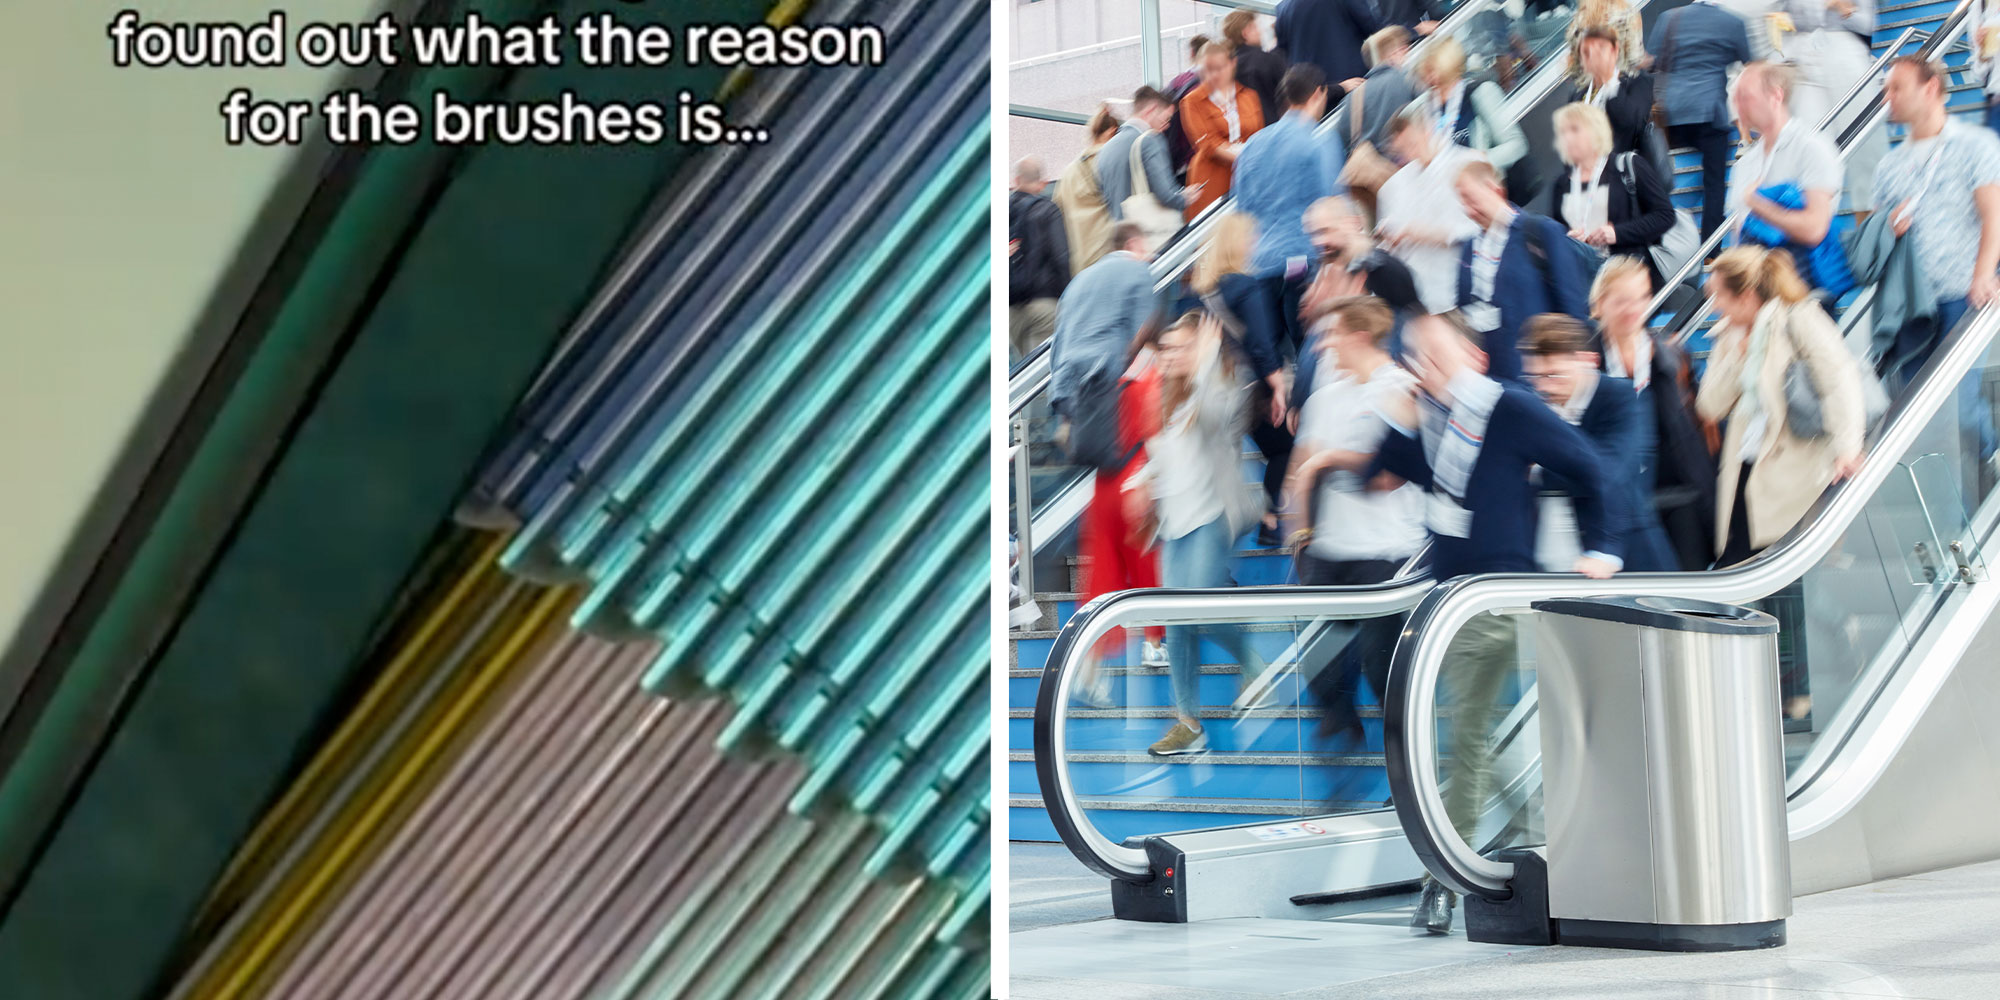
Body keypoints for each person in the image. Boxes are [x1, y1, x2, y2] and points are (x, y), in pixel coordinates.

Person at [1334, 312, 1624, 935]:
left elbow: (1591, 467)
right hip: (1442, 600)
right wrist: (1397, 418)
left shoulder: (1507, 410)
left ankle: (1444, 880)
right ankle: (1529, 832)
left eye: (1439, 357)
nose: (1429, 370)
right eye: (1418, 358)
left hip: (1488, 600)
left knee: (1463, 737)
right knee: (1466, 737)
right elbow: (1367, 478)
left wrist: (1603, 548)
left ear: (1472, 356)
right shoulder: (1429, 419)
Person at [1696, 247, 1864, 726]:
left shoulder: (1798, 318)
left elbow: (1839, 380)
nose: (1715, 307)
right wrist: (1735, 349)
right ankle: (1820, 647)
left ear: (1746, 294)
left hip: (1792, 472)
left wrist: (1848, 446)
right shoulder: (1733, 332)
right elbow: (1711, 405)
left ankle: (1794, 694)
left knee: (1782, 584)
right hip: (1747, 474)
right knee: (1747, 576)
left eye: (1719, 298)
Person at [1283, 297, 1425, 748]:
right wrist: (1300, 533)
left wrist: (1330, 459)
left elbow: (1388, 477)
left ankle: (1407, 761)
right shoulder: (1325, 397)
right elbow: (1299, 467)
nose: (1324, 345)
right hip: (1330, 549)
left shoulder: (1401, 388)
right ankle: (1343, 733)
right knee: (1320, 662)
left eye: (1332, 334)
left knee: (1382, 668)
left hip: (1387, 551)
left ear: (1360, 336)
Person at [1128, 312, 1268, 756]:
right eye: (1165, 348)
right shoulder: (1167, 396)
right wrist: (1141, 482)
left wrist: (1207, 359)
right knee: (1176, 622)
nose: (1167, 355)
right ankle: (1187, 722)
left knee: (1201, 611)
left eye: (1178, 347)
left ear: (1202, 348)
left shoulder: (1222, 383)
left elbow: (1215, 417)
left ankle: (1256, 662)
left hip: (1211, 516)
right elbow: (1171, 453)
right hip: (1175, 522)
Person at [1521, 314, 1679, 572]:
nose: (1544, 386)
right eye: (1535, 376)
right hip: (1547, 555)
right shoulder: (1529, 401)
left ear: (1585, 360)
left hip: (1624, 555)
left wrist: (1539, 470)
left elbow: (1611, 471)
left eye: (1555, 375)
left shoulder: (1622, 399)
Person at [1591, 255, 1719, 569]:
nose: (1633, 309)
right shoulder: (1588, 363)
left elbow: (1695, 433)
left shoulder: (1671, 355)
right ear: (1600, 303)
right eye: (1622, 300)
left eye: (1641, 298)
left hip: (1681, 500)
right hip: (1619, 510)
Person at [1235, 64, 1345, 380]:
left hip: (1259, 265)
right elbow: (1331, 205)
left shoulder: (1252, 146)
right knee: (1312, 356)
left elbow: (1241, 211)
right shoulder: (1319, 141)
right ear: (1318, 94)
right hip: (1304, 263)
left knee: (1271, 365)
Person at [1193, 213, 1293, 541]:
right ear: (1237, 242)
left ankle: (1257, 523)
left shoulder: (1203, 292)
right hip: (1247, 388)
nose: (1254, 243)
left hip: (1213, 386)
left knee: (1225, 460)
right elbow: (1260, 342)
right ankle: (1268, 521)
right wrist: (1277, 384)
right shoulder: (1246, 285)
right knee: (1285, 448)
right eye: (1250, 237)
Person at [1455, 159, 1595, 383]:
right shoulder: (1468, 247)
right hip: (1490, 374)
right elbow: (1463, 308)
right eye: (1462, 201)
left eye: (1471, 199)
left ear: (1495, 189)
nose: (1468, 210)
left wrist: (1575, 361)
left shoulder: (1540, 232)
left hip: (1538, 372)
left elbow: (1571, 302)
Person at [1647, 0, 1753, 239]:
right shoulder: (1733, 21)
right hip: (1710, 113)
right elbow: (1751, 65)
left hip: (1671, 114)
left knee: (1655, 176)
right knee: (1714, 182)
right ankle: (1711, 247)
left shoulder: (1668, 18)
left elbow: (1650, 62)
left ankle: (1660, 239)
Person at [1547, 102, 1675, 289]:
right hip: (1586, 282)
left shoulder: (1627, 166)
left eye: (1574, 130)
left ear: (1595, 131)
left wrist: (1616, 233)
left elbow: (1664, 215)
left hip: (1629, 276)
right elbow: (1557, 233)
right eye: (1563, 132)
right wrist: (1569, 238)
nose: (1567, 138)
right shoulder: (1562, 184)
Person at [1773, 0, 1883, 210]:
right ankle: (1816, 221)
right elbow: (1784, 21)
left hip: (1845, 56)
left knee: (1862, 147)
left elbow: (1867, 23)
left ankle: (1871, 228)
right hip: (1806, 61)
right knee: (1812, 145)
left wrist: (1843, 9)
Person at [1728, 63, 1842, 258]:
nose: (1738, 106)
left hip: (1802, 278)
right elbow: (1739, 237)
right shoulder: (1745, 164)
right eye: (1736, 98)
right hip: (1757, 279)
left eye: (1746, 97)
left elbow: (1814, 229)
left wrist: (1757, 203)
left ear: (1776, 96)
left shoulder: (1812, 148)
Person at [1376, 112, 1481, 315]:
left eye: (1412, 144)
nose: (1410, 154)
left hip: (1457, 293)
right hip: (1416, 301)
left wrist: (1422, 233)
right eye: (1401, 151)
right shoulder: (1392, 187)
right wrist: (1388, 240)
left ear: (1429, 130)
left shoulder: (1467, 163)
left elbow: (1478, 229)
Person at [1409, 37, 1528, 182]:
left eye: (1434, 71)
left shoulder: (1481, 93)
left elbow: (1516, 145)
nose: (1430, 79)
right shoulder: (1421, 107)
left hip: (1480, 188)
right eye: (1426, 73)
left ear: (1449, 68)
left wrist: (1474, 162)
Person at [1180, 40, 1267, 219]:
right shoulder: (1192, 101)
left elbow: (1258, 134)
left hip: (1247, 175)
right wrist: (1246, 157)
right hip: (1213, 178)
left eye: (1219, 68)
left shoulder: (1249, 96)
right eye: (1207, 70)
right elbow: (1208, 144)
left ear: (1232, 64)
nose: (1213, 75)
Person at [1098, 87, 1194, 224]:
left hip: (1121, 235)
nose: (1166, 126)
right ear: (1151, 110)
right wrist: (1185, 197)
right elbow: (1167, 196)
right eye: (1166, 119)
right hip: (1149, 234)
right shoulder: (1150, 140)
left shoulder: (1105, 149)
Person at [1564, 25, 1657, 161]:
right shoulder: (1578, 94)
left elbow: (1631, 123)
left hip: (1623, 173)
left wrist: (1608, 80)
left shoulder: (1638, 82)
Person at [1009, 158, 1070, 362]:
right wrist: (1067, 296)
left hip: (1010, 308)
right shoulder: (1047, 209)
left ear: (1016, 180)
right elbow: (1061, 257)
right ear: (1042, 182)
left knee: (1020, 373)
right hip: (1045, 304)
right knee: (1041, 371)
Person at [1055, 105, 1123, 275]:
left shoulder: (1069, 170)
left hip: (1078, 255)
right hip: (1105, 251)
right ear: (1111, 132)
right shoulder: (1108, 161)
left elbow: (1058, 208)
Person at [1335, 25, 1419, 150]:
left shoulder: (1352, 99)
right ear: (1394, 54)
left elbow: (1342, 141)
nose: (1408, 53)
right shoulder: (1407, 79)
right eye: (1404, 49)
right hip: (1411, 157)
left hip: (1376, 168)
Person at [1275, 0, 1384, 94]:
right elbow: (1372, 25)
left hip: (1314, 93)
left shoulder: (1283, 9)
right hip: (1354, 85)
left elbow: (1284, 55)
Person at [1224, 10, 1290, 124]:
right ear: (1245, 33)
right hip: (1274, 129)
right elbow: (1291, 97)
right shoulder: (1271, 60)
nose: (1261, 31)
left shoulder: (1226, 68)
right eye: (1256, 27)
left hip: (1243, 134)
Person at [1566, 0, 1647, 84]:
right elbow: (1635, 58)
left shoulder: (1577, 24)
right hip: (1622, 84)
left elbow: (1574, 69)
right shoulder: (1627, 13)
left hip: (1592, 87)